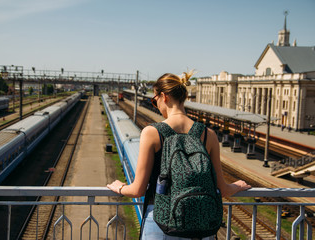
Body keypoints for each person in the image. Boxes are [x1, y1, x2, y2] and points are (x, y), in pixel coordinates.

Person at [107, 70, 251, 239]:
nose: (157, 106)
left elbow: (138, 189)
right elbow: (223, 188)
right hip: (200, 225)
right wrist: (238, 186)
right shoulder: (208, 135)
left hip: (161, 223)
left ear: (164, 97)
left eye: (155, 101)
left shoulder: (152, 132)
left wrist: (120, 187)